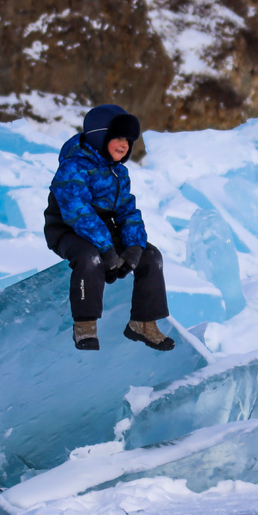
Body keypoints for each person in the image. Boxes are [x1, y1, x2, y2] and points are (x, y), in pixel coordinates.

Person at [44, 104, 174, 352]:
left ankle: (143, 323)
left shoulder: (119, 173)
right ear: (99, 135)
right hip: (67, 228)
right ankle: (85, 325)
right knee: (90, 258)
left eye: (128, 139)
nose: (124, 144)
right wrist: (107, 250)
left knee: (151, 256)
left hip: (101, 228)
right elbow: (77, 212)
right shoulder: (74, 166)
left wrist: (134, 247)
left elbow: (127, 211)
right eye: (118, 137)